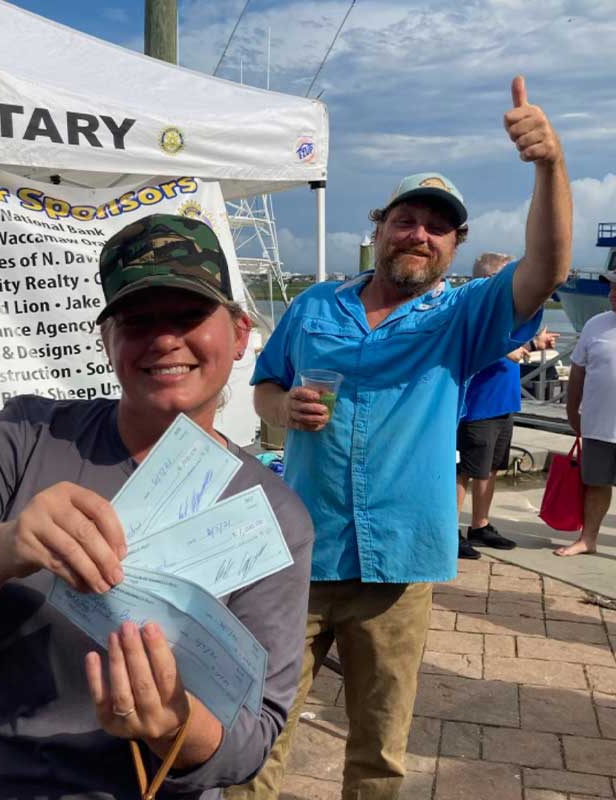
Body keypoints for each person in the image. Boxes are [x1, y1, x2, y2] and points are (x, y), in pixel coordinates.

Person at [0, 214, 314, 800]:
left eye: (189, 316)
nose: (165, 339)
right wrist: (3, 545)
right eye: (138, 321)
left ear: (241, 333)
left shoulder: (272, 516)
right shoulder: (21, 437)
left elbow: (252, 739)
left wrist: (175, 725)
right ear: (107, 340)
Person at [224, 76, 571, 800]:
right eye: (406, 219)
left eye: (436, 227)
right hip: (302, 553)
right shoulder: (316, 303)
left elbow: (545, 271)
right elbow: (264, 385)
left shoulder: (462, 317)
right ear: (380, 225)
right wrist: (284, 408)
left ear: (454, 245)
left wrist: (549, 166)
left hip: (398, 566)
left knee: (379, 750)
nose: (419, 234)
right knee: (259, 727)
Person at [457, 251, 558, 559]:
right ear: (491, 280)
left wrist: (534, 342)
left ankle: (480, 525)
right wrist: (524, 346)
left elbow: (517, 345)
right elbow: (495, 349)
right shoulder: (476, 314)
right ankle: (449, 530)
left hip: (504, 403)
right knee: (464, 471)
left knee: (489, 469)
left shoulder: (507, 315)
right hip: (478, 407)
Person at [554, 271, 616, 556]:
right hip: (598, 425)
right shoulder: (595, 324)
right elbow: (577, 370)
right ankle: (587, 539)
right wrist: (571, 408)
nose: (612, 294)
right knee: (596, 484)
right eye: (612, 288)